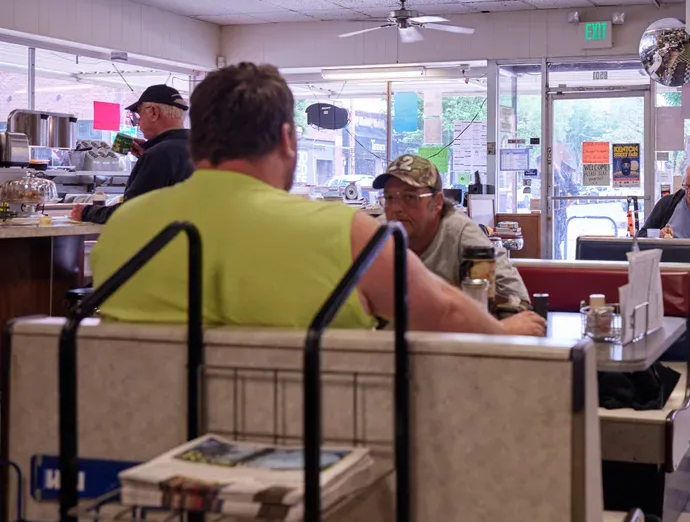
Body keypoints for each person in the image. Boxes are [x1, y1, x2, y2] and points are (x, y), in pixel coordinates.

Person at [89, 62, 545, 337]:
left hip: (140, 455)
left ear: (197, 141)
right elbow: (443, 313)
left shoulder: (123, 229)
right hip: (311, 459)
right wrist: (503, 329)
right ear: (289, 139)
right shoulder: (350, 236)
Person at [374, 153, 531, 311]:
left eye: (410, 197)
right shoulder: (375, 233)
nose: (395, 208)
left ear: (437, 202)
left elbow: (520, 302)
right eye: (389, 198)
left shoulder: (461, 233)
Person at [72, 85, 194, 224]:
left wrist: (86, 212)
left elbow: (132, 213)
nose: (138, 124)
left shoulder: (158, 155)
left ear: (153, 112)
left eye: (139, 115)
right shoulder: (202, 148)